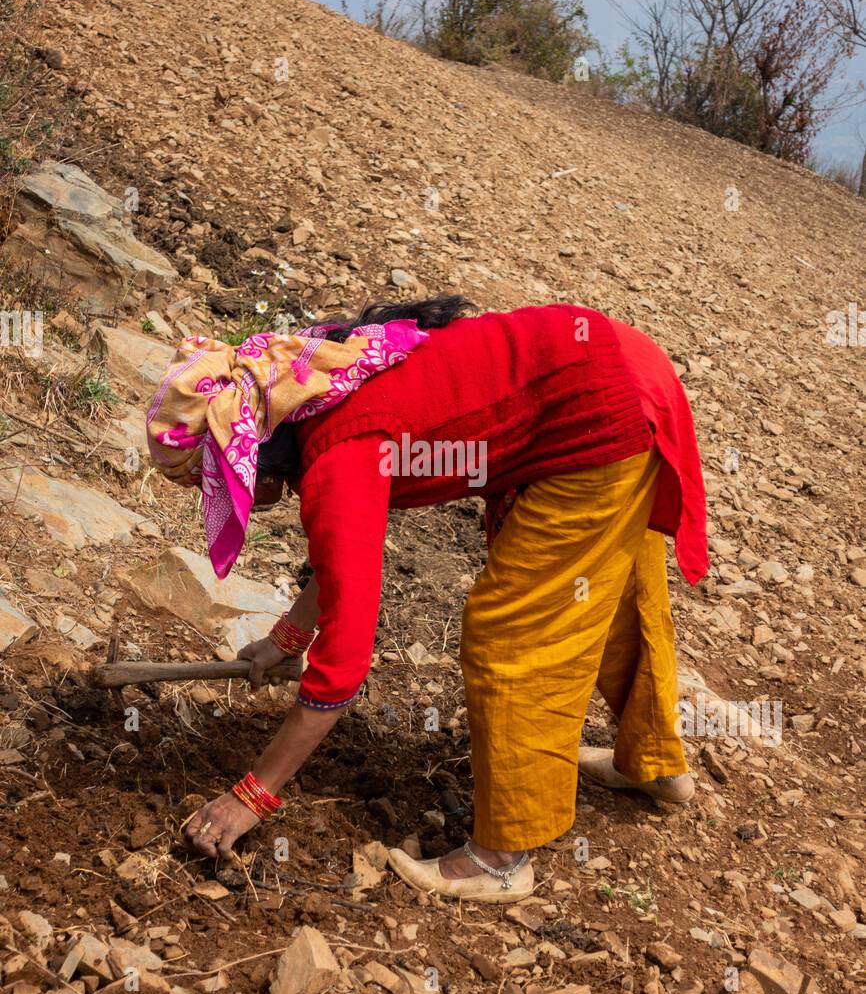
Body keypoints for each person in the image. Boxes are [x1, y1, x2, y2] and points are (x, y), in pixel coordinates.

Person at [147, 295, 708, 904]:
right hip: (614, 363)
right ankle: (653, 763)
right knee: (615, 591)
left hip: (599, 417)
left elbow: (345, 665)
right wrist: (284, 641)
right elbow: (343, 562)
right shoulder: (312, 373)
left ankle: (500, 860)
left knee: (513, 630)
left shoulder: (339, 458)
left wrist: (249, 796)